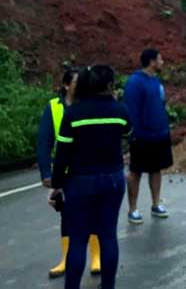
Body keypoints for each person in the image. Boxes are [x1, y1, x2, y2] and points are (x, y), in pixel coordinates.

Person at [48, 65, 130, 289]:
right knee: (108, 237)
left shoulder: (73, 114)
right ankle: (108, 286)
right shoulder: (120, 111)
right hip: (113, 180)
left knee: (78, 239)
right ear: (111, 85)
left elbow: (62, 154)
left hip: (80, 182)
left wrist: (56, 186)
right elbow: (128, 134)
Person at [37, 68, 103, 279]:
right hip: (65, 173)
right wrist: (46, 172)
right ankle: (65, 258)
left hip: (89, 170)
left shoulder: (89, 105)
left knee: (93, 213)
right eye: (76, 82)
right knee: (66, 215)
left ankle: (96, 256)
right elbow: (44, 142)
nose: (80, 85)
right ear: (66, 85)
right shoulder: (54, 108)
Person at [123, 49, 172, 224]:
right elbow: (131, 110)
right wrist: (135, 133)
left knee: (156, 169)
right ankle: (133, 209)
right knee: (135, 172)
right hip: (141, 136)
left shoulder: (156, 81)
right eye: (160, 59)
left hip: (159, 135)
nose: (162, 62)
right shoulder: (135, 83)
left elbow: (161, 104)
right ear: (152, 61)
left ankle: (155, 204)